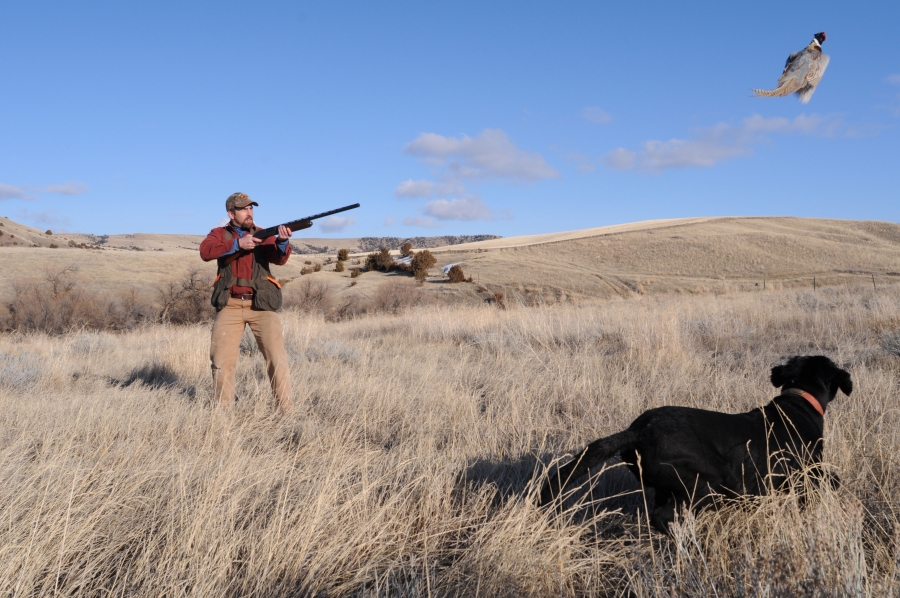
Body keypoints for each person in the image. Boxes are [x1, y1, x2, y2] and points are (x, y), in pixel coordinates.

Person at [199, 192, 294, 413]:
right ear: (231, 214)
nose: (249, 212)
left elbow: (279, 258)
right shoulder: (219, 234)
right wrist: (237, 244)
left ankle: (286, 412)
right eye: (243, 209)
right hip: (230, 305)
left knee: (277, 359)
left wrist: (282, 241)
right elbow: (205, 251)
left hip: (262, 305)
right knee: (221, 362)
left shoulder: (263, 234)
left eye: (251, 208)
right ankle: (223, 414)